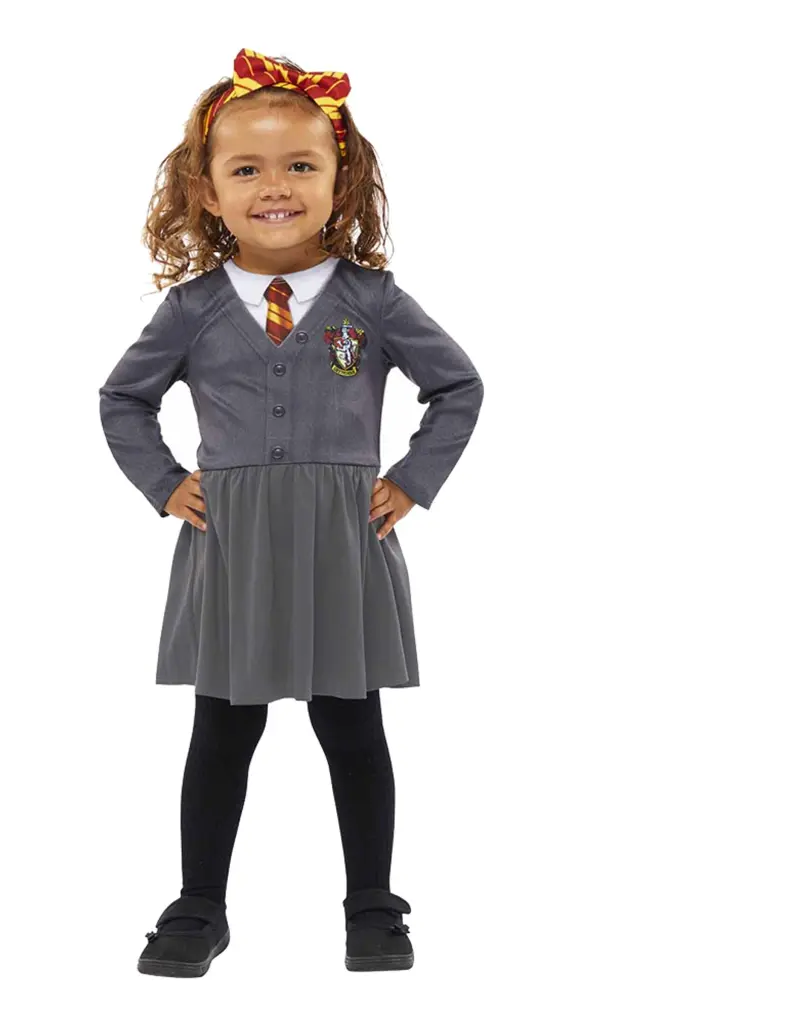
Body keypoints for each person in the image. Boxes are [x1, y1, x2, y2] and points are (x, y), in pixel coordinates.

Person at [99, 47, 484, 977]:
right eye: (247, 169)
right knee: (222, 730)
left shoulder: (372, 300)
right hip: (232, 544)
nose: (275, 187)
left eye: (300, 165)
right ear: (207, 190)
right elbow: (123, 400)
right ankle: (200, 904)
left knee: (352, 725)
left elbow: (458, 387)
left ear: (339, 180)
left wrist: (411, 480)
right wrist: (164, 483)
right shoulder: (191, 309)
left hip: (343, 540)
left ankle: (372, 906)